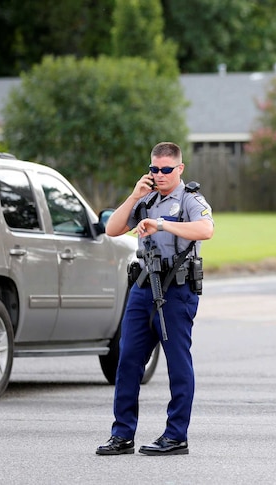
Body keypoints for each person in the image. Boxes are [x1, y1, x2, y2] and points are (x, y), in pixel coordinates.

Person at [97, 142, 214, 456]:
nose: (159, 175)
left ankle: (176, 436)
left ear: (179, 169)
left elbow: (205, 230)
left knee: (177, 363)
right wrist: (135, 195)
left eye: (165, 169)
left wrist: (161, 224)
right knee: (128, 361)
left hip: (177, 289)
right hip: (144, 286)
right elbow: (111, 228)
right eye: (154, 169)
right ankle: (122, 435)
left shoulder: (190, 199)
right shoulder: (145, 199)